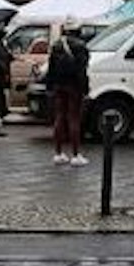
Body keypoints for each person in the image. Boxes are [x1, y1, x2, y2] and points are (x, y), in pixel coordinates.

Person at [42, 29, 89, 166]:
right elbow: (82, 70)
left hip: (58, 86)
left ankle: (58, 153)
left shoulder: (57, 45)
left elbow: (51, 68)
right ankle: (75, 154)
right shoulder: (80, 46)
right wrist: (84, 88)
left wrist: (49, 86)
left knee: (59, 117)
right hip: (74, 86)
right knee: (74, 118)